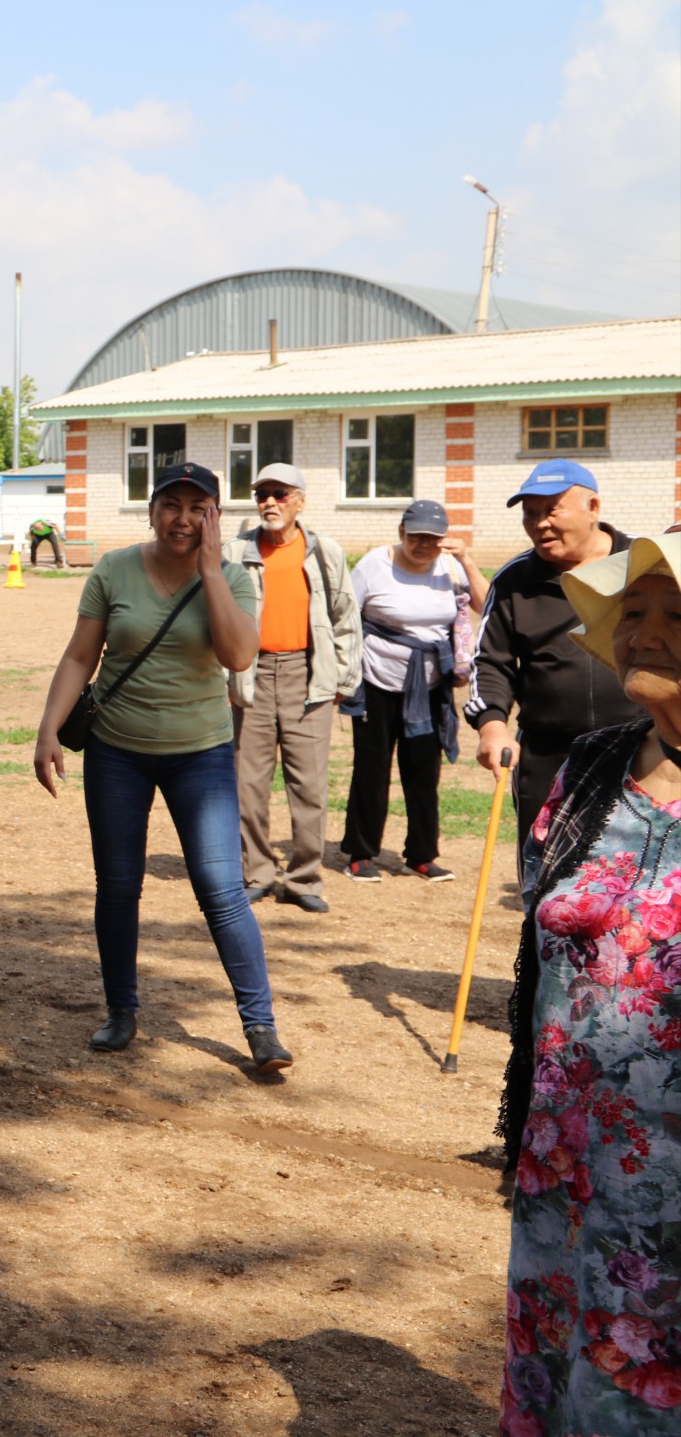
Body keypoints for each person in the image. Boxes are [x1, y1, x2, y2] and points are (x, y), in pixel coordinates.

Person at [497, 533, 681, 1435]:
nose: (644, 635)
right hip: (567, 1166)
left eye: (675, 616)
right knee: (563, 1373)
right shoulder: (592, 765)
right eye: (632, 614)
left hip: (672, 1192)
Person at [35, 462, 292, 1070]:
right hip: (116, 752)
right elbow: (80, 656)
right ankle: (121, 1011)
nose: (183, 519)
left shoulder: (234, 576)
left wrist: (211, 572)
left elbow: (238, 655)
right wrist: (48, 729)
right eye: (171, 505)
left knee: (221, 888)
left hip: (199, 755)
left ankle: (260, 1027)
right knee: (119, 885)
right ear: (151, 511)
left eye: (198, 508)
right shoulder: (113, 569)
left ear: (215, 517)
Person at [470, 460, 646, 842]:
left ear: (593, 508)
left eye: (552, 510)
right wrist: (492, 726)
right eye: (530, 513)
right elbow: (490, 662)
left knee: (638, 866)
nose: (539, 524)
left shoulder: (645, 563)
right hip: (547, 754)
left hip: (642, 749)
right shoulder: (514, 580)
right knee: (545, 863)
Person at [221, 462, 361, 914]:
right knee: (248, 784)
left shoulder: (324, 552)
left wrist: (343, 678)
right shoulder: (235, 552)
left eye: (280, 494)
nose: (270, 502)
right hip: (252, 675)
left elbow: (345, 617)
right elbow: (217, 616)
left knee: (309, 786)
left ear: (300, 500)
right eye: (262, 494)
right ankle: (257, 873)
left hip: (307, 674)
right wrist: (223, 677)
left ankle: (304, 880)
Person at [340, 501, 485, 884]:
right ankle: (361, 853)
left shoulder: (450, 566)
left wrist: (467, 560)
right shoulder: (373, 565)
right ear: (402, 532)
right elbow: (345, 617)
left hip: (431, 685)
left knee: (423, 771)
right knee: (371, 768)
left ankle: (421, 855)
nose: (424, 545)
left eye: (433, 539)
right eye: (416, 536)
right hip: (377, 680)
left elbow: (486, 607)